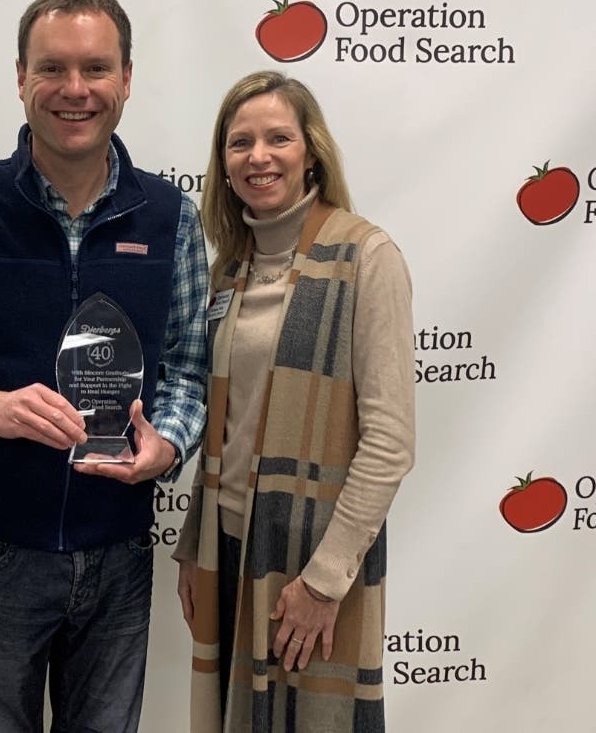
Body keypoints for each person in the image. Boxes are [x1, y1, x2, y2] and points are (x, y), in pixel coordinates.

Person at [0, 0, 208, 732]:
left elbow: (190, 366)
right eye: (52, 68)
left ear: (126, 79)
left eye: (95, 68)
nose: (75, 89)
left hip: (120, 553)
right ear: (20, 78)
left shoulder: (170, 220)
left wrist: (167, 443)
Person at [173, 71, 415, 732]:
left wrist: (323, 581)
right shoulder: (230, 268)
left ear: (310, 151)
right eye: (239, 142)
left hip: (309, 563)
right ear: (221, 163)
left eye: (277, 138)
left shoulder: (366, 255)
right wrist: (194, 543)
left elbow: (390, 442)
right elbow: (224, 425)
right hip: (225, 551)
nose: (258, 157)